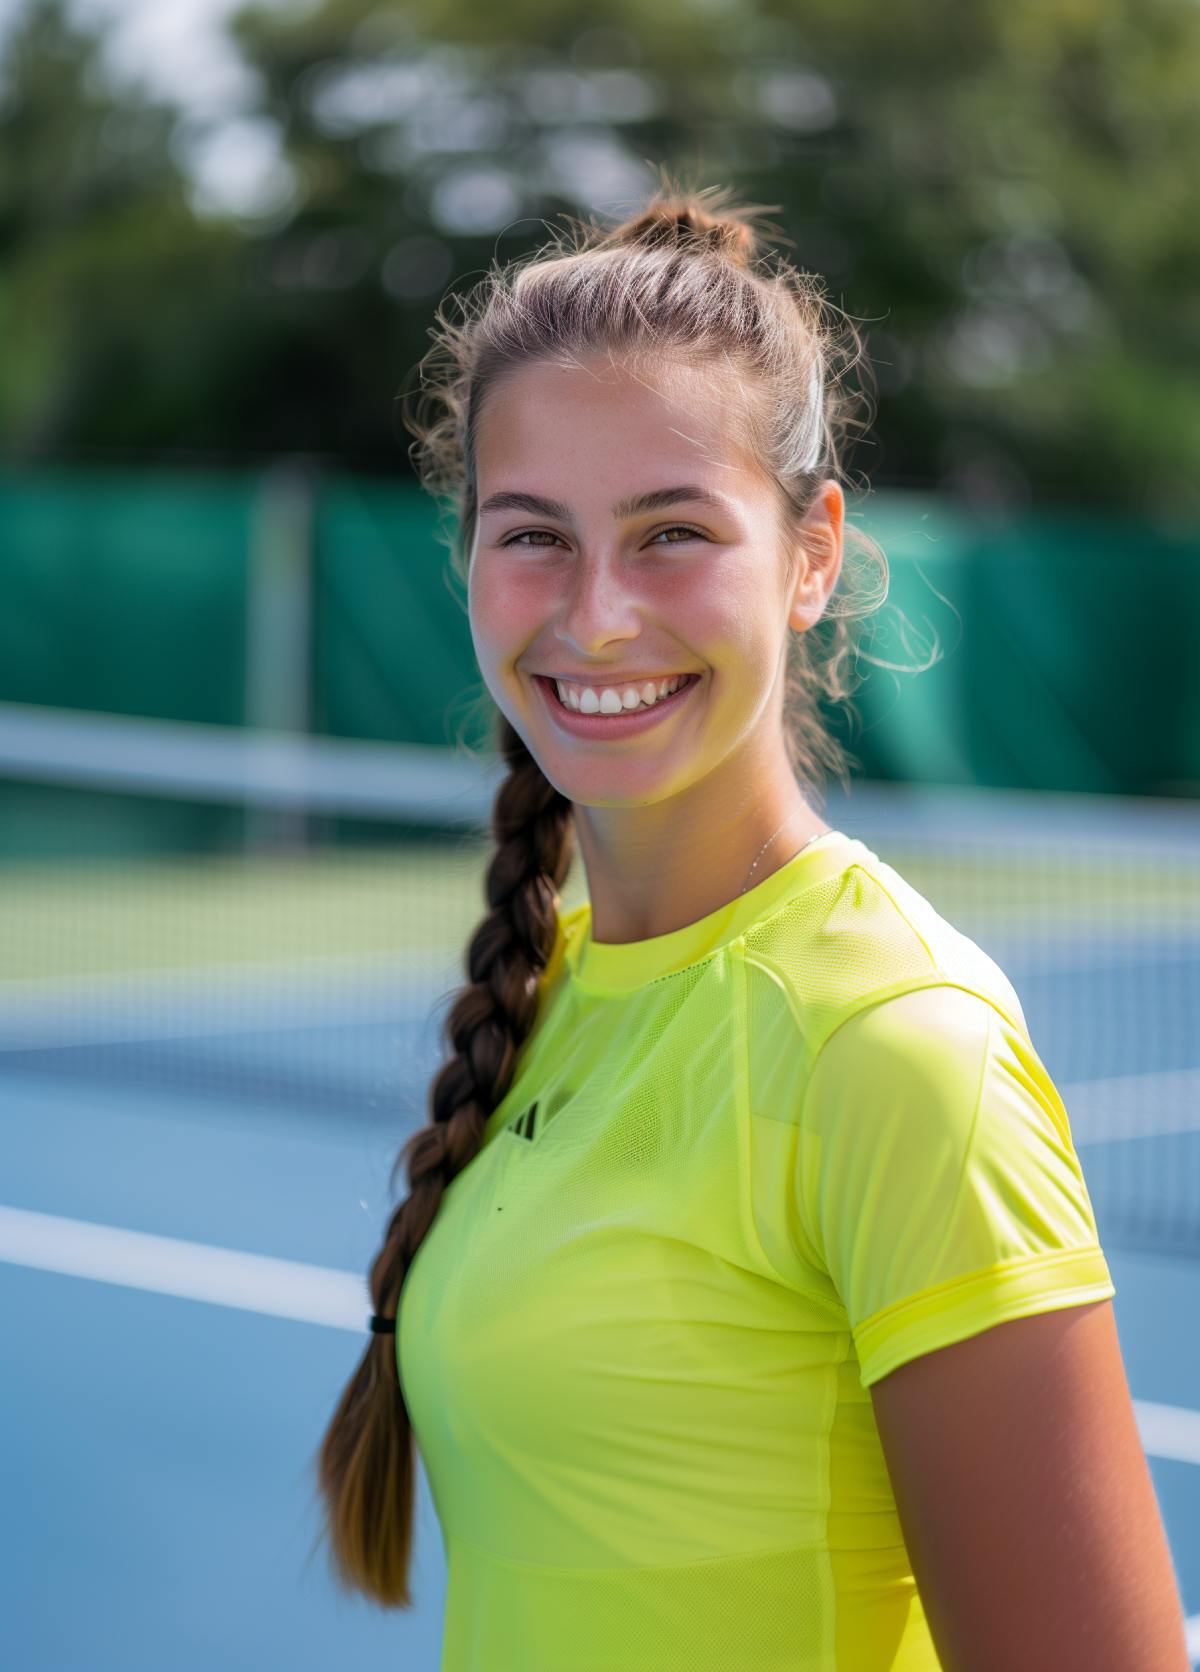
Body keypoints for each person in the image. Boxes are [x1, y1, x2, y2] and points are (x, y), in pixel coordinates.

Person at [315, 178, 1188, 1669]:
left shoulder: (890, 1047)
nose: (594, 617)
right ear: (467, 558)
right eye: (535, 536)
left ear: (812, 553)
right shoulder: (559, 989)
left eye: (671, 535)